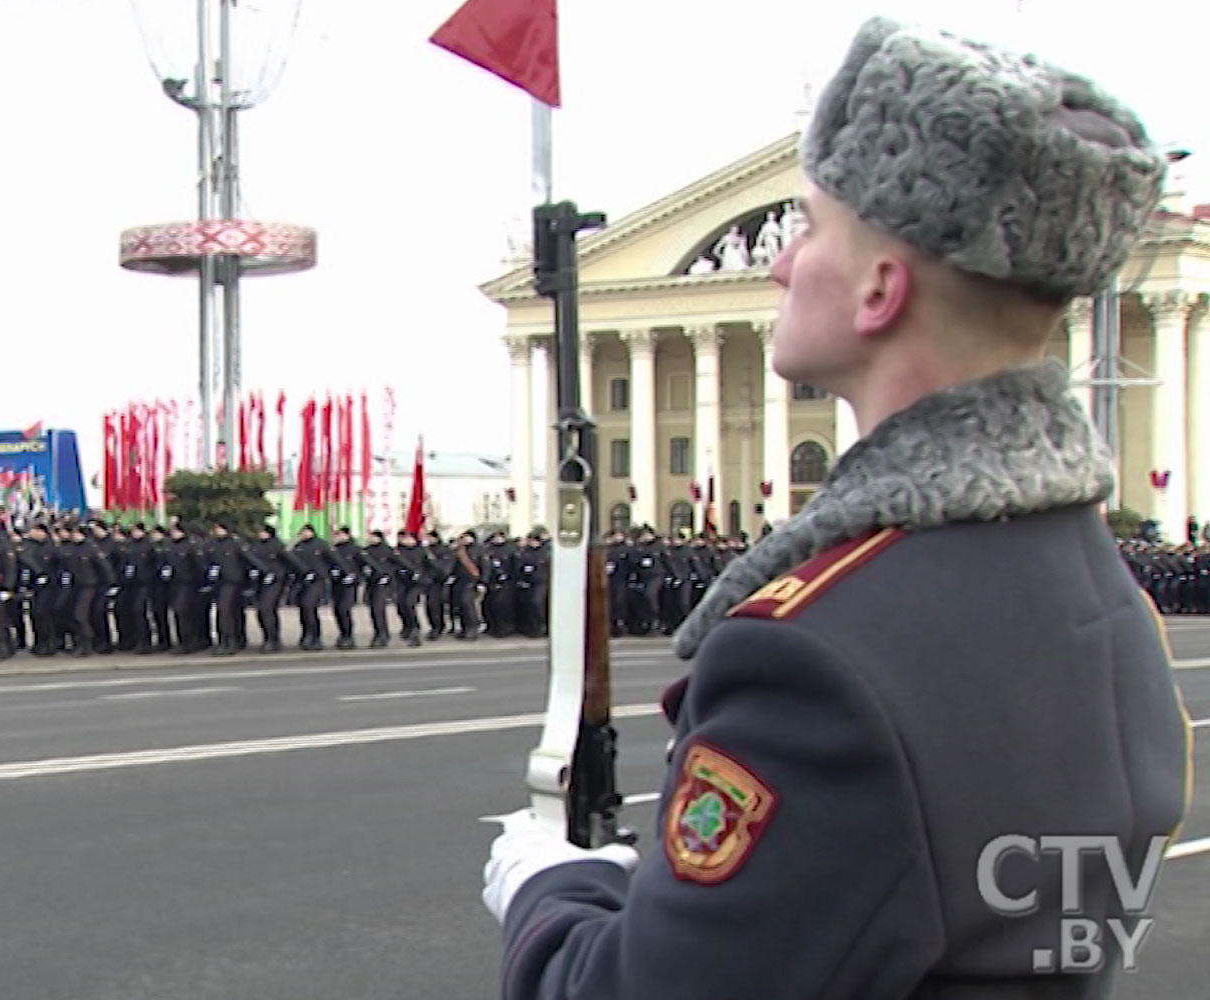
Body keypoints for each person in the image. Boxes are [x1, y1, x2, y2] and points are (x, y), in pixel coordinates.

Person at [482, 17, 1194, 999]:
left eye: (807, 227)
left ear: (879, 291)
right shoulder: (1102, 597)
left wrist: (549, 893)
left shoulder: (815, 655)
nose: (776, 262)